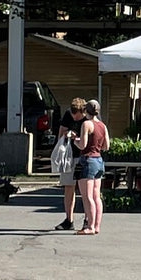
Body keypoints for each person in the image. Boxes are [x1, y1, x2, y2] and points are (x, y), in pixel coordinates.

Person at [73, 98, 110, 236]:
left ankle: (90, 226)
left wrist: (74, 140)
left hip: (87, 160)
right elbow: (107, 146)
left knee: (87, 196)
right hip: (99, 160)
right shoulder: (102, 125)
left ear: (85, 110)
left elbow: (82, 145)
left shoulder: (86, 124)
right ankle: (97, 225)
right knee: (96, 196)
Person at [54, 98, 86, 231]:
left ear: (83, 112)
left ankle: (88, 219)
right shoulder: (68, 114)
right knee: (68, 187)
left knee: (85, 190)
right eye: (73, 116)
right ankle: (69, 219)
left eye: (77, 116)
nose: (75, 119)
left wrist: (77, 137)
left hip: (84, 156)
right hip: (69, 155)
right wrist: (67, 135)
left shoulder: (88, 118)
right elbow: (61, 132)